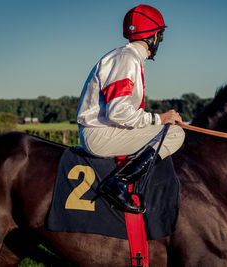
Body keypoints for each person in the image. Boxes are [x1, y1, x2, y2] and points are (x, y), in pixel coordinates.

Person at [76, 4, 185, 214]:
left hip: (105, 130)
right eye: (160, 37)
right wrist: (159, 119)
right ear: (153, 37)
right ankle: (119, 183)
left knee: (174, 128)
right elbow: (118, 112)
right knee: (175, 134)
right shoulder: (127, 59)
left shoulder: (127, 57)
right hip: (99, 134)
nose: (159, 42)